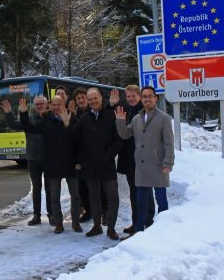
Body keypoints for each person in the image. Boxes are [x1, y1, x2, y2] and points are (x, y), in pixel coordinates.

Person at [115, 86, 175, 236]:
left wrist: (168, 163)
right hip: (140, 166)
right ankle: (139, 230)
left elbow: (169, 143)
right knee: (140, 201)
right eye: (145, 96)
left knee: (161, 200)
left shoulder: (164, 118)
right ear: (141, 99)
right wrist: (120, 121)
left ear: (156, 98)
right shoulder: (136, 119)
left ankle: (164, 231)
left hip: (158, 165)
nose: (147, 99)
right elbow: (124, 134)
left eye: (150, 96)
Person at [20, 95, 81, 234]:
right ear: (51, 106)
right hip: (52, 165)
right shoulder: (45, 120)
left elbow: (78, 140)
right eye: (54, 104)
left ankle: (76, 223)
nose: (56, 107)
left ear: (64, 105)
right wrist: (23, 113)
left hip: (70, 164)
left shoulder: (72, 118)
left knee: (75, 196)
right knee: (54, 197)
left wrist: (67, 125)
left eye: (59, 104)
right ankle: (58, 223)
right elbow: (29, 128)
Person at [73, 88, 122, 240]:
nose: (93, 101)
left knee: (112, 197)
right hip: (90, 166)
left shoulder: (110, 115)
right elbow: (76, 140)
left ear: (101, 97)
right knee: (94, 198)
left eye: (96, 98)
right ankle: (97, 226)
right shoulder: (84, 119)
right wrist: (80, 159)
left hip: (107, 164)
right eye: (90, 99)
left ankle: (111, 228)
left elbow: (118, 139)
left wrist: (109, 155)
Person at [108, 86, 155, 234]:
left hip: (142, 159)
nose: (130, 99)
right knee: (136, 193)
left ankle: (144, 222)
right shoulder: (128, 110)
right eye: (128, 96)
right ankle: (141, 221)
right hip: (129, 158)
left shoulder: (145, 111)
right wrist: (113, 105)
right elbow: (115, 118)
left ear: (140, 96)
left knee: (142, 193)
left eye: (133, 96)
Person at [0, 96, 54, 226]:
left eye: (42, 103)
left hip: (49, 158)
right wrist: (8, 113)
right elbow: (14, 125)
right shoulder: (28, 119)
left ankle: (52, 214)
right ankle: (36, 215)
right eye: (37, 104)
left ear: (47, 105)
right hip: (33, 158)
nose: (39, 106)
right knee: (36, 187)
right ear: (34, 106)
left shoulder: (52, 119)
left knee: (50, 188)